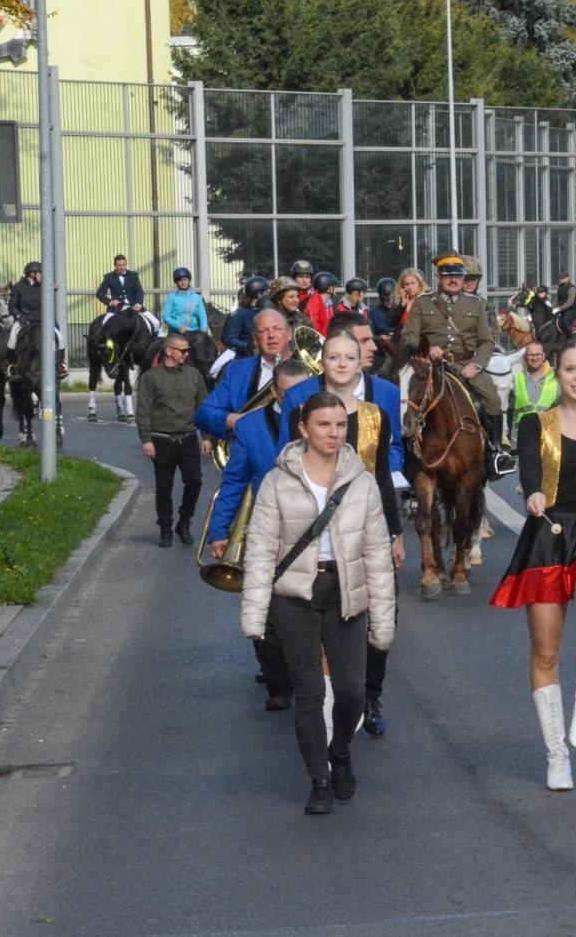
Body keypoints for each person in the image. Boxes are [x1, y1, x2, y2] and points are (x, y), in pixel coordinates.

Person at [240, 391, 396, 815]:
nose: (333, 433)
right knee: (309, 691)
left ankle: (340, 748)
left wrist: (383, 620)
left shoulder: (362, 483)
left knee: (350, 692)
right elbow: (260, 551)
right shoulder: (277, 482)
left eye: (340, 425)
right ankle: (320, 780)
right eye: (323, 425)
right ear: (304, 430)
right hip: (294, 595)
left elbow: (378, 556)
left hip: (345, 592)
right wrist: (254, 614)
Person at [491, 342, 576, 790]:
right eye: (570, 368)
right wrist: (532, 491)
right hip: (549, 533)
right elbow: (530, 466)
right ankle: (557, 754)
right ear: (559, 374)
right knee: (546, 653)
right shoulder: (536, 423)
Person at [284, 323, 408, 735]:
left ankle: (369, 694)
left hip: (367, 528)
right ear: (321, 362)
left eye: (350, 357)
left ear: (361, 363)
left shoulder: (378, 413)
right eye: (333, 357)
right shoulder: (301, 406)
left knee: (379, 616)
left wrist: (394, 532)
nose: (341, 364)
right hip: (318, 529)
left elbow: (383, 477)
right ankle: (326, 705)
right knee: (326, 616)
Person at [208, 357, 313, 710]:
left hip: (313, 529)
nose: (298, 402)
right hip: (265, 528)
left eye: (304, 393)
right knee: (264, 607)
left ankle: (307, 671)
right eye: (290, 394)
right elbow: (235, 480)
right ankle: (277, 680)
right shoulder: (250, 426)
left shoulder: (322, 420)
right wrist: (219, 530)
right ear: (273, 391)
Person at [400, 253, 507, 478]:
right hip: (429, 367)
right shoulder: (423, 302)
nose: (453, 280)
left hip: (464, 365)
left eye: (457, 275)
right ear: (438, 278)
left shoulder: (475, 304)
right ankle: (406, 453)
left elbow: (487, 342)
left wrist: (476, 366)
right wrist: (427, 349)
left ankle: (495, 452)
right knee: (407, 402)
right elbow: (408, 337)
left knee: (493, 401)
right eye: (447, 275)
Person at [136, 333, 210, 548]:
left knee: (194, 482)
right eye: (183, 351)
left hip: (187, 438)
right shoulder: (151, 377)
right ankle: (165, 528)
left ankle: (184, 522)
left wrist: (206, 437)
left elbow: (203, 408)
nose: (187, 355)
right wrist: (146, 439)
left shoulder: (194, 376)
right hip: (162, 440)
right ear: (169, 351)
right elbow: (143, 411)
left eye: (188, 351)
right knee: (164, 487)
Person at [197, 308, 295, 440]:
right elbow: (203, 414)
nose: (271, 335)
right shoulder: (237, 370)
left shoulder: (307, 371)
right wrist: (237, 421)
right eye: (263, 331)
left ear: (289, 333)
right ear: (255, 339)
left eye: (277, 328)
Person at [6, 261, 66, 362]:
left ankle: (60, 363)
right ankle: (11, 364)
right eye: (40, 272)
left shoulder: (44, 287)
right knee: (12, 339)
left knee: (60, 338)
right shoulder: (18, 287)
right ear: (32, 274)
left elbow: (49, 306)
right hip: (24, 320)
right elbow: (12, 306)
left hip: (41, 320)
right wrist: (20, 317)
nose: (43, 275)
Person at [97, 253, 158, 333]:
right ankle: (102, 344)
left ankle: (156, 343)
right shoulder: (109, 277)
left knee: (156, 323)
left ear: (126, 264)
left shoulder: (133, 275)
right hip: (117, 308)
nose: (121, 267)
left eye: (123, 265)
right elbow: (100, 293)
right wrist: (111, 302)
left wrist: (138, 304)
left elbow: (139, 291)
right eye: (118, 265)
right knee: (103, 325)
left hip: (134, 306)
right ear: (114, 265)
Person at [220, 276, 270, 360]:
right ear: (258, 294)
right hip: (243, 357)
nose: (268, 296)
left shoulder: (265, 312)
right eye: (266, 293)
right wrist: (248, 346)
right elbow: (229, 338)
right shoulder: (239, 314)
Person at [511, 341, 559, 424]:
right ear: (525, 357)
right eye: (531, 355)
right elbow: (509, 411)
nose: (535, 358)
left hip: (549, 434)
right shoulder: (516, 380)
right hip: (523, 433)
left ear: (543, 356)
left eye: (538, 354)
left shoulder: (556, 379)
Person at [159, 267, 209, 338]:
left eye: (185, 280)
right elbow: (165, 316)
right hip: (175, 332)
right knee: (160, 345)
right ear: (176, 282)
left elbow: (202, 315)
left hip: (194, 332)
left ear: (189, 280)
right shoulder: (171, 297)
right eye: (180, 281)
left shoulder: (197, 297)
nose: (183, 283)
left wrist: (203, 329)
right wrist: (179, 327)